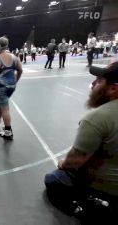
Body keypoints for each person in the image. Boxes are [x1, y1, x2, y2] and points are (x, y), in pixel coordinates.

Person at [44, 62, 118, 224]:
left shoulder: (98, 118)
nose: (92, 84)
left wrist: (63, 163)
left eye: (99, 81)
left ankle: (79, 208)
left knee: (52, 180)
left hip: (107, 187)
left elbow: (77, 159)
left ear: (113, 88)